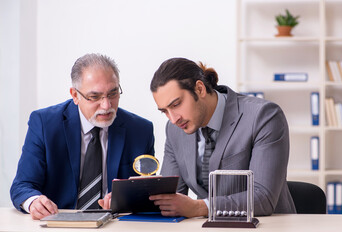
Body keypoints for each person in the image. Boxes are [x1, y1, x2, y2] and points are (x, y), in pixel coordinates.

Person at [10, 53, 155, 220]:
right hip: (59, 224)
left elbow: (146, 193)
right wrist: (34, 201)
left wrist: (126, 200)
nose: (106, 105)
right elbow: (22, 185)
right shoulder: (45, 124)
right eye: (94, 97)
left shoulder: (140, 130)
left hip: (116, 224)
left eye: (113, 93)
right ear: (75, 95)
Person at [148, 57, 296, 218]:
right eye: (164, 111)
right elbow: (171, 195)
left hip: (264, 226)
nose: (173, 118)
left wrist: (199, 207)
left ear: (199, 89)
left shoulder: (263, 116)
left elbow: (263, 198)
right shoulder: (174, 130)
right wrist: (137, 194)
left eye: (176, 105)